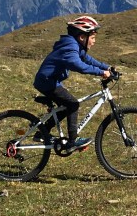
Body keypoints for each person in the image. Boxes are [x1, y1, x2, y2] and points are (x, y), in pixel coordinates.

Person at [33, 15, 112, 151]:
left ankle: (42, 133)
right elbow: (78, 65)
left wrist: (107, 67)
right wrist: (100, 72)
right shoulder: (70, 46)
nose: (94, 41)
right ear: (82, 37)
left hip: (50, 80)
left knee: (65, 106)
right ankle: (73, 141)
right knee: (73, 104)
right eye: (93, 38)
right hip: (47, 82)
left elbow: (87, 59)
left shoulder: (74, 45)